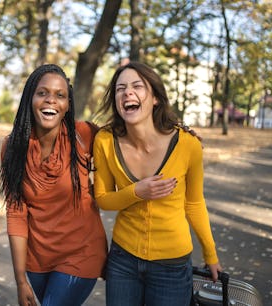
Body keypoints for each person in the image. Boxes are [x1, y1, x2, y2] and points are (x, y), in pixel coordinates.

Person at [92, 61, 222, 306]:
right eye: (120, 88)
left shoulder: (187, 144)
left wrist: (210, 253)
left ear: (155, 98)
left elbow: (194, 204)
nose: (127, 92)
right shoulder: (105, 141)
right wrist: (137, 192)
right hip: (123, 260)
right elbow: (103, 198)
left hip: (171, 266)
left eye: (137, 86)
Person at [0, 64, 107, 306]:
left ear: (67, 105)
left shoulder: (83, 134)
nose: (51, 101)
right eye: (42, 93)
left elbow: (129, 138)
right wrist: (20, 279)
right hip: (37, 260)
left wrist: (175, 134)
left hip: (82, 252)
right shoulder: (12, 146)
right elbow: (16, 212)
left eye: (60, 95)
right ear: (30, 98)